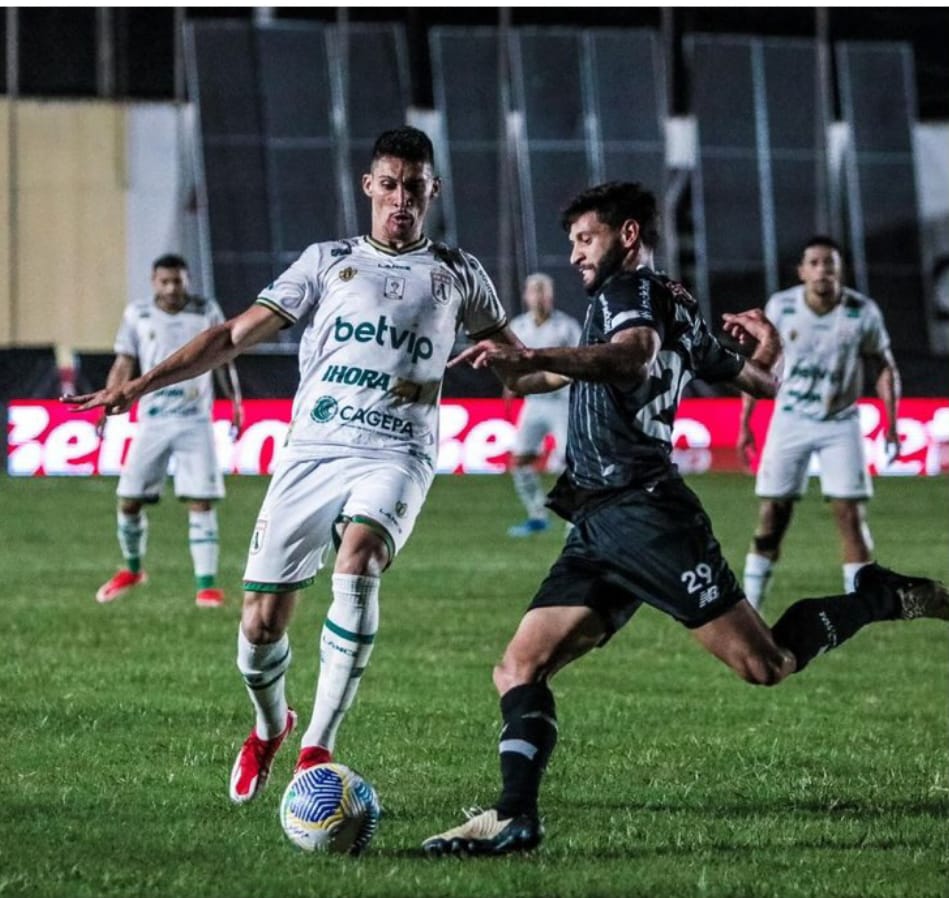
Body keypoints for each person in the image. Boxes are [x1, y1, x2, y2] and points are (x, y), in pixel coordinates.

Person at [421, 181, 947, 857]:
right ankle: (513, 816)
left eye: (585, 239)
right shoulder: (673, 302)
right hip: (597, 519)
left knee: (766, 664)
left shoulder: (629, 293)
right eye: (572, 243)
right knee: (518, 667)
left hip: (647, 515)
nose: (575, 255)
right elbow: (759, 383)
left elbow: (631, 357)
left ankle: (881, 595)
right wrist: (768, 348)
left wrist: (536, 355)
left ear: (627, 235)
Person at [65, 127, 520, 804]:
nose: (400, 199)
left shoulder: (459, 272)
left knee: (359, 562)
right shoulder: (326, 261)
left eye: (414, 187)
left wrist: (585, 366)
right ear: (368, 187)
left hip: (398, 451)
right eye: (389, 185)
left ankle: (317, 751)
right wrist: (136, 385)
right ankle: (271, 726)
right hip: (312, 451)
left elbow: (523, 365)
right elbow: (230, 335)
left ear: (434, 191)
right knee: (259, 625)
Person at [737, 236, 901, 610]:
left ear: (841, 270)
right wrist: (745, 423)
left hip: (840, 423)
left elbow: (884, 366)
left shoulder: (862, 312)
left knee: (850, 516)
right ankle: (752, 610)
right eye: (814, 262)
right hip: (790, 419)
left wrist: (892, 422)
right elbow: (759, 366)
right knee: (773, 514)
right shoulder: (781, 307)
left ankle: (857, 610)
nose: (822, 269)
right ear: (802, 271)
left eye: (830, 263)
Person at [95, 254, 243, 608]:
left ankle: (206, 586)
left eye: (178, 281)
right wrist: (107, 402)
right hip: (153, 420)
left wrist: (236, 404)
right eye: (165, 281)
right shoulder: (137, 314)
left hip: (195, 421)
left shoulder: (206, 311)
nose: (173, 288)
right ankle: (133, 569)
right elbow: (124, 362)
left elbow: (224, 359)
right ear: (154, 282)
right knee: (129, 499)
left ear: (187, 280)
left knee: (201, 501)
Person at [505, 273, 581, 537]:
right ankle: (537, 515)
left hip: (562, 403)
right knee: (520, 460)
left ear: (551, 295)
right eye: (534, 291)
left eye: (543, 291)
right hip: (534, 402)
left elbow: (581, 361)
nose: (538, 297)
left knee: (571, 463)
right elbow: (511, 363)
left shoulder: (566, 327)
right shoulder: (518, 326)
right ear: (526, 296)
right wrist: (509, 387)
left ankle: (575, 520)